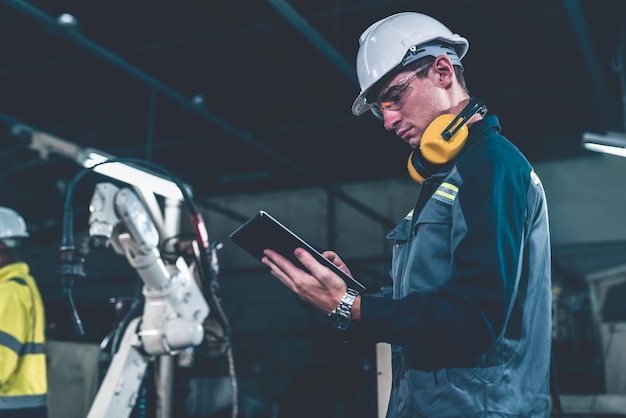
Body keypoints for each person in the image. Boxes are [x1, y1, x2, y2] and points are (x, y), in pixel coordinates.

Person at [261, 11, 552, 417]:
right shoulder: (447, 177)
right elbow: (429, 303)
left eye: (394, 98)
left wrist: (351, 306)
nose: (388, 121)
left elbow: (475, 319)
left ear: (443, 71)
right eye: (381, 110)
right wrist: (353, 294)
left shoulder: (491, 167)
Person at [0, 207, 48, 417]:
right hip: (24, 405)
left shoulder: (10, 291)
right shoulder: (23, 285)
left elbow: (2, 358)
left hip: (10, 407)